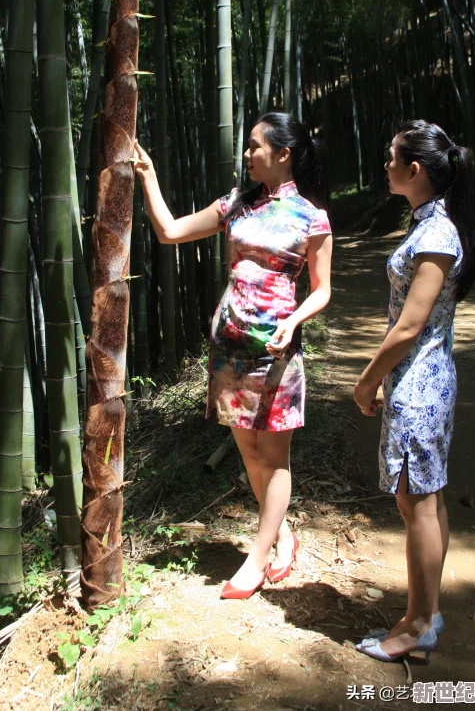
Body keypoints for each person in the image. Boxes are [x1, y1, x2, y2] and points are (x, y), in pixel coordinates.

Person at [133, 112, 333, 599]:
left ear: (282, 154)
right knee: (248, 452)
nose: (246, 156)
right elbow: (171, 231)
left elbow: (323, 290)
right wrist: (150, 179)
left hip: (276, 349)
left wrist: (293, 320)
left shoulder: (312, 216)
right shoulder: (236, 205)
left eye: (254, 147)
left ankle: (257, 558)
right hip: (229, 348)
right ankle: (282, 535)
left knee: (274, 455)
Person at [353, 120, 475, 663]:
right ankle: (424, 611)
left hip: (419, 385)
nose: (386, 166)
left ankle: (418, 624)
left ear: (414, 169)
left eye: (391, 158)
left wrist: (367, 379)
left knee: (417, 503)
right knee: (426, 498)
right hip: (423, 380)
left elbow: (408, 326)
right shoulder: (427, 224)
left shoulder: (435, 234)